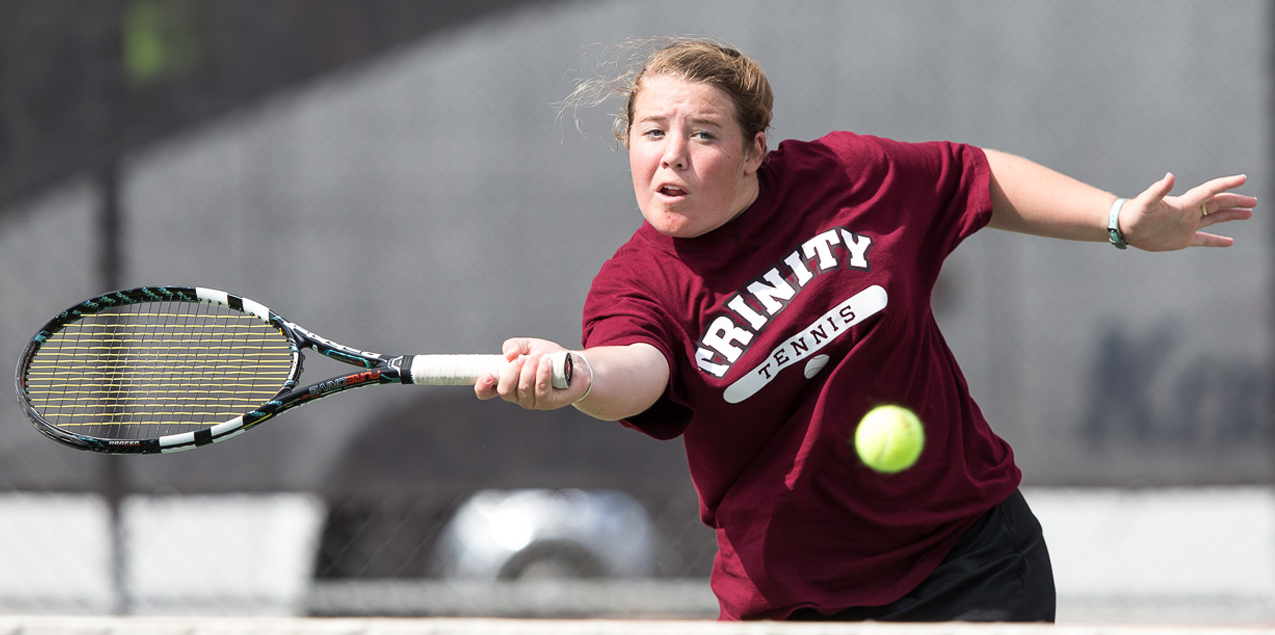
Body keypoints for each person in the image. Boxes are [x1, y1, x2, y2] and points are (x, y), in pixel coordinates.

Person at [474, 38, 1256, 622]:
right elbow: (635, 368)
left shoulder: (849, 178)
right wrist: (574, 376)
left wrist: (1118, 219)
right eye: (651, 133)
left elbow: (974, 175)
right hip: (794, 598)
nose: (672, 155)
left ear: (754, 152)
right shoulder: (635, 281)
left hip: (967, 561)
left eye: (703, 135)